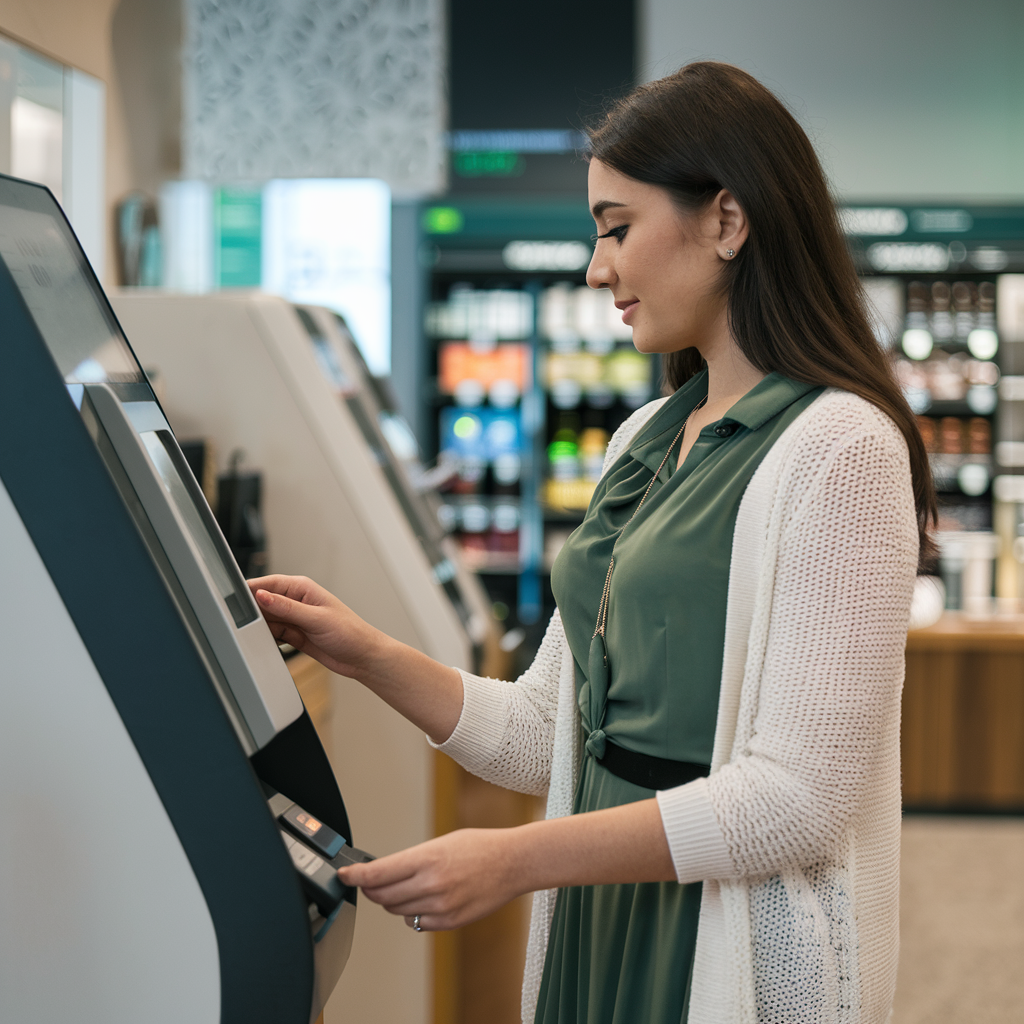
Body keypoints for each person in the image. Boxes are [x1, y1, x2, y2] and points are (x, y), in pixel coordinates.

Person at [249, 62, 933, 1024]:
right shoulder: (642, 439)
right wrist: (359, 651)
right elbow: (544, 734)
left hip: (725, 946)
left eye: (616, 228)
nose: (595, 267)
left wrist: (516, 860)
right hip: (598, 914)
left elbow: (798, 801)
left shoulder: (842, 450)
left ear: (727, 221)